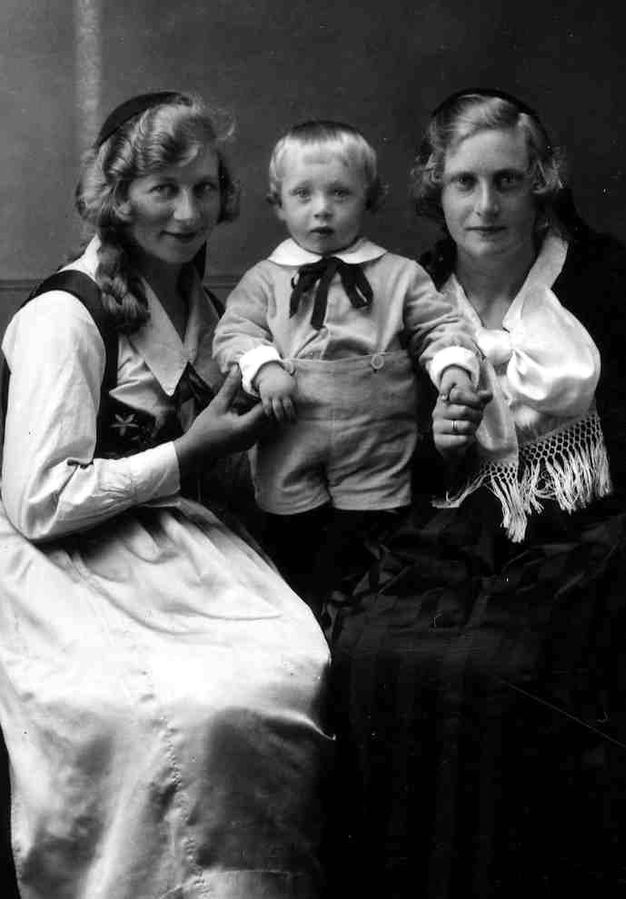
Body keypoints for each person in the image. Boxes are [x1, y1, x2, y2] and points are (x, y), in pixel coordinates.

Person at [327, 88, 626, 897]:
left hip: (583, 535)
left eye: (507, 181)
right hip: (443, 537)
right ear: (434, 189)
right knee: (370, 652)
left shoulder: (605, 277)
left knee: (501, 665)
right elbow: (372, 450)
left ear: (538, 182)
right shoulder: (407, 293)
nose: (485, 206)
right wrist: (434, 444)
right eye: (464, 183)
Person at [0, 91, 331, 899]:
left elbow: (224, 465)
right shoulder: (65, 315)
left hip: (174, 546)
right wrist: (187, 453)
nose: (187, 213)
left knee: (289, 667)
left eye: (203, 188)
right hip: (64, 560)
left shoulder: (210, 311)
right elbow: (38, 501)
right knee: (172, 705)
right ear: (119, 197)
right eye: (163, 189)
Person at [212, 120, 481, 609]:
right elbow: (234, 334)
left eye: (340, 193)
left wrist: (454, 371)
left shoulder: (400, 275)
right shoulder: (265, 279)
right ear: (278, 203)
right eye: (303, 194)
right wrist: (265, 368)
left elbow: (441, 326)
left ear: (368, 198)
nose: (321, 209)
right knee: (295, 555)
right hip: (290, 444)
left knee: (370, 558)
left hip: (376, 447)